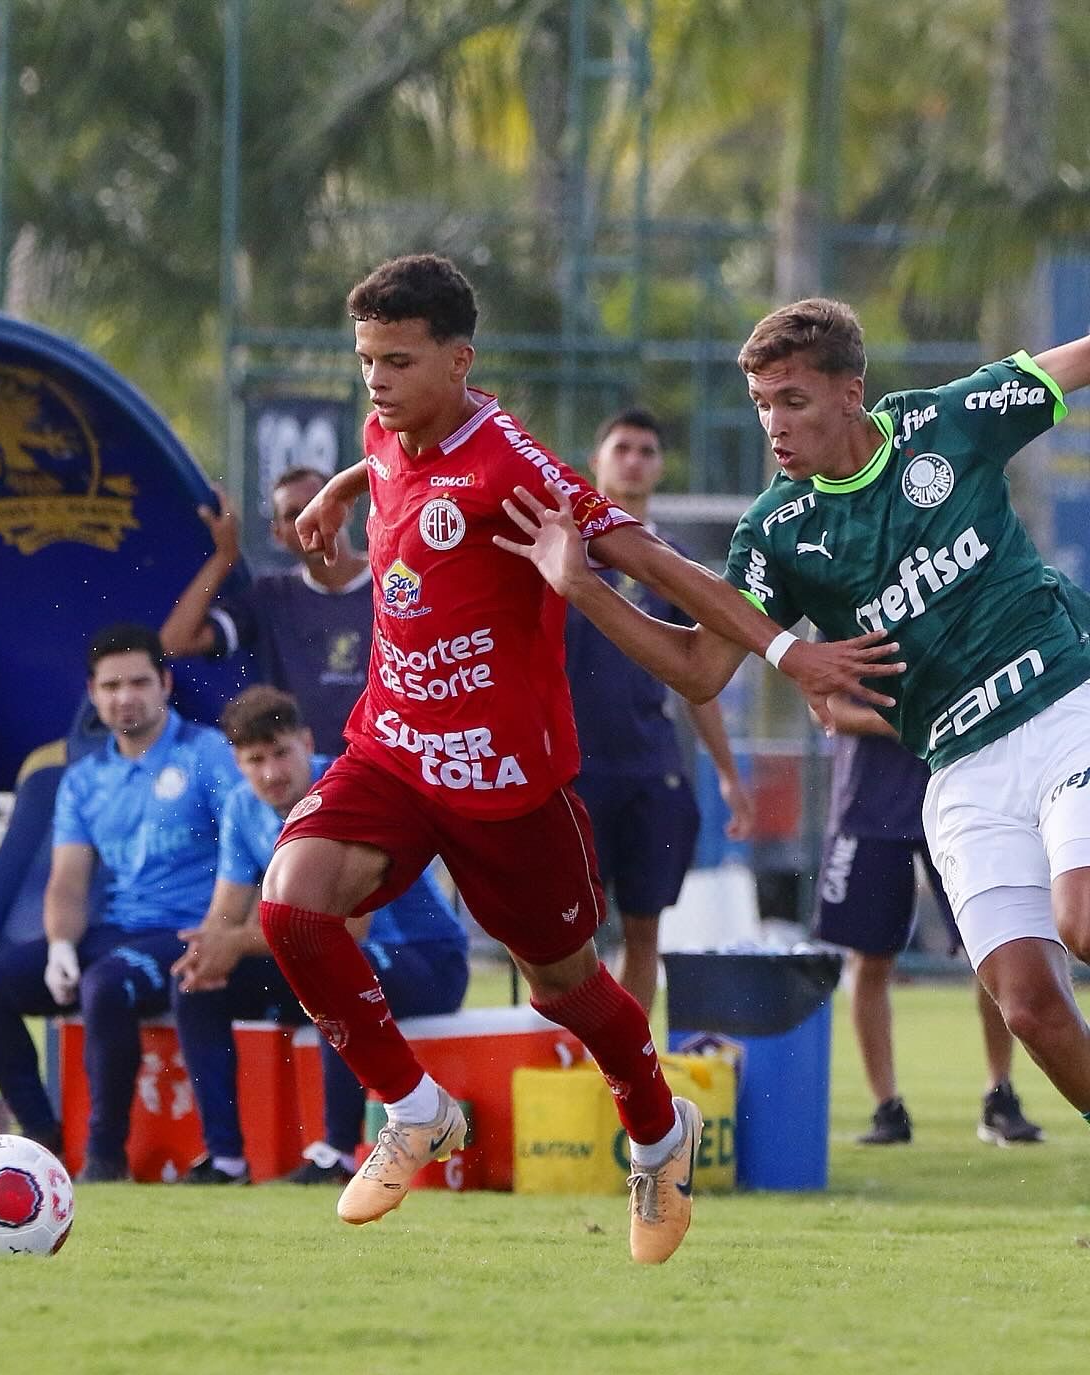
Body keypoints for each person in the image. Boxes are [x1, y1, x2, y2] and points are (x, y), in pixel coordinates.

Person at [255, 255, 900, 1263]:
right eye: (365, 361)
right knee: (291, 904)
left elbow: (664, 567)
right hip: (392, 752)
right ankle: (416, 1108)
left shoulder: (518, 470)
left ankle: (656, 1129)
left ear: (459, 362)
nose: (375, 382)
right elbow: (383, 456)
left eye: (397, 360)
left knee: (564, 987)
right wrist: (341, 490)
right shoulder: (385, 427)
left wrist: (784, 651)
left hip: (510, 788)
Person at [497, 295, 1090, 1144]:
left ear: (851, 393)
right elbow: (701, 671)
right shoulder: (776, 533)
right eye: (762, 405)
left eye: (794, 401)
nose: (774, 424)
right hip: (958, 765)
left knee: (1083, 919)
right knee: (1029, 1006)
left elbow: (1074, 361)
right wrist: (585, 588)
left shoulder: (945, 422)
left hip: (1066, 699)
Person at [0, 623, 240, 1183]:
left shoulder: (209, 754)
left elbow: (246, 853)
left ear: (164, 684)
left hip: (187, 932)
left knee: (105, 985)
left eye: (139, 682)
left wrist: (222, 933)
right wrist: (61, 944)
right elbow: (67, 879)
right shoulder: (85, 779)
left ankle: (104, 1155)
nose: (125, 697)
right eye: (111, 686)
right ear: (93, 693)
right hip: (116, 929)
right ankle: (42, 1136)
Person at [170, 684, 469, 1185]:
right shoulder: (244, 807)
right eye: (255, 759)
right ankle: (224, 1160)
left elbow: (348, 928)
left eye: (281, 753)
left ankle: (339, 1153)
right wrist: (207, 951)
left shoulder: (346, 787)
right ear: (237, 764)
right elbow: (225, 914)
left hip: (428, 962)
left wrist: (235, 942)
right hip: (338, 954)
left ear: (307, 743)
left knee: (337, 970)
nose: (271, 772)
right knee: (199, 989)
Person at [567, 407, 753, 1012]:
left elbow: (701, 678)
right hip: (571, 770)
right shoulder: (559, 556)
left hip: (650, 768)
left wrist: (727, 774)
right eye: (622, 447)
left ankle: (630, 1074)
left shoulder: (670, 564)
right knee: (568, 933)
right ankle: (571, 1064)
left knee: (644, 929)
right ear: (596, 461)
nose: (635, 460)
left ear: (660, 466)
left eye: (647, 450)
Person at [814, 700, 1042, 1147]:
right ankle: (887, 1107)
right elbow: (826, 708)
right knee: (871, 958)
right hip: (871, 801)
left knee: (995, 949)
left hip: (964, 798)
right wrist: (910, 723)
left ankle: (1000, 1092)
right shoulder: (843, 627)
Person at [160, 466, 373, 755]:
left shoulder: (394, 583)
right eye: (293, 514)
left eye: (318, 503)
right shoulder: (270, 597)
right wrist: (225, 558)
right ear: (279, 534)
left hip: (386, 775)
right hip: (304, 782)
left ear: (345, 509)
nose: (309, 518)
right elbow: (174, 643)